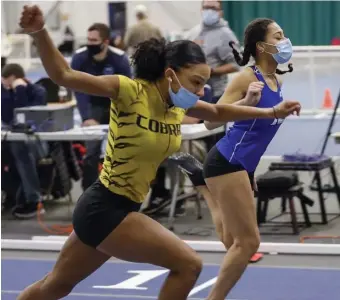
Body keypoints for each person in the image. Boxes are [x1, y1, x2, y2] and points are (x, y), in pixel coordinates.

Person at [18, 6, 300, 300]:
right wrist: (39, 32)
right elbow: (63, 74)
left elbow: (217, 111)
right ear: (170, 74)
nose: (201, 91)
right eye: (196, 82)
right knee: (189, 265)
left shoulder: (177, 104)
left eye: (204, 83)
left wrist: (270, 111)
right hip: (105, 206)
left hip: (123, 208)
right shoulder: (128, 90)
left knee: (55, 287)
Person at [170, 18, 296, 300]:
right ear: (262, 47)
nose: (285, 41)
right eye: (279, 36)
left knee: (232, 240)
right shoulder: (246, 78)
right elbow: (212, 119)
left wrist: (250, 172)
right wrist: (247, 102)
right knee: (248, 243)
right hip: (228, 160)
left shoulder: (277, 79)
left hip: (240, 165)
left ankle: (201, 184)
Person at [70, 22, 132, 190]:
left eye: (94, 40)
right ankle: (88, 193)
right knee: (91, 152)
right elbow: (78, 89)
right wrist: (87, 117)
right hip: (92, 105)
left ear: (105, 42)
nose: (90, 43)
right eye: (88, 39)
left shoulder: (119, 59)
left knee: (120, 151)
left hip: (116, 104)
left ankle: (119, 191)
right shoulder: (79, 57)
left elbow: (129, 91)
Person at [1, 63, 47, 218]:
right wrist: (9, 93)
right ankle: (14, 192)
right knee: (13, 148)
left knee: (20, 149)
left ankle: (33, 200)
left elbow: (24, 118)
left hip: (36, 142)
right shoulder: (3, 93)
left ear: (13, 78)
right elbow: (7, 117)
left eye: (5, 81)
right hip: (11, 140)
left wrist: (19, 91)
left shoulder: (38, 92)